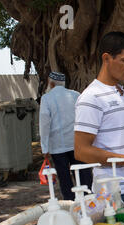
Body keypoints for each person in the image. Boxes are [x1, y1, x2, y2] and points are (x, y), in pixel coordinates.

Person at [74, 32, 124, 206]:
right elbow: (81, 151)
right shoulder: (91, 97)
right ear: (106, 58)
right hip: (113, 194)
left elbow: (123, 140)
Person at [39, 71, 92, 200]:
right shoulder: (75, 95)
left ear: (51, 83)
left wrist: (44, 148)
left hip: (57, 147)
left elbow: (44, 124)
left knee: (64, 177)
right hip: (77, 143)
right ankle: (89, 201)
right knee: (83, 174)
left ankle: (70, 204)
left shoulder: (47, 98)